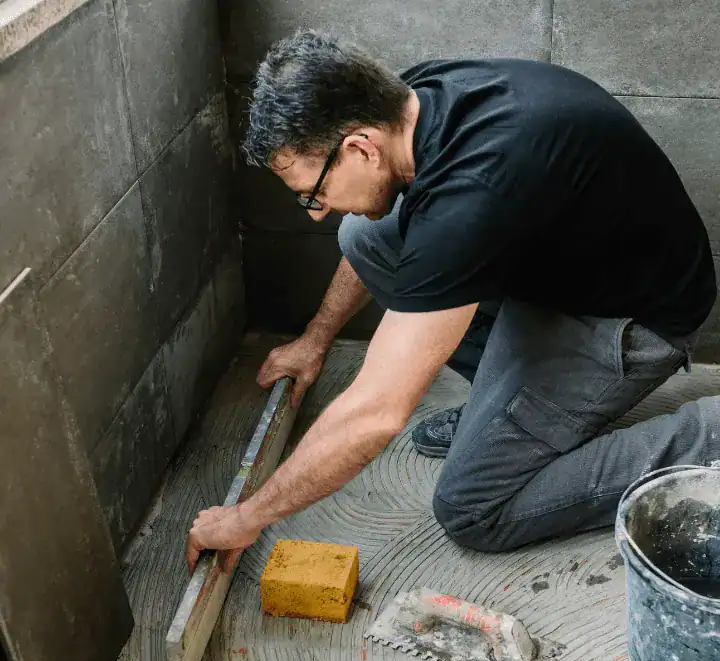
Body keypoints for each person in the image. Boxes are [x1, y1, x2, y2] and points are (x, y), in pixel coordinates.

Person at [186, 29, 717, 575]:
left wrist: (248, 516)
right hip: (569, 263)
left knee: (475, 508)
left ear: (360, 146)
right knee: (365, 237)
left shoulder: (470, 202)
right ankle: (509, 406)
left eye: (313, 192)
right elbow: (412, 231)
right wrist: (315, 340)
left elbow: (376, 413)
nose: (315, 211)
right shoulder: (415, 99)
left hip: (632, 321)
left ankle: (707, 434)